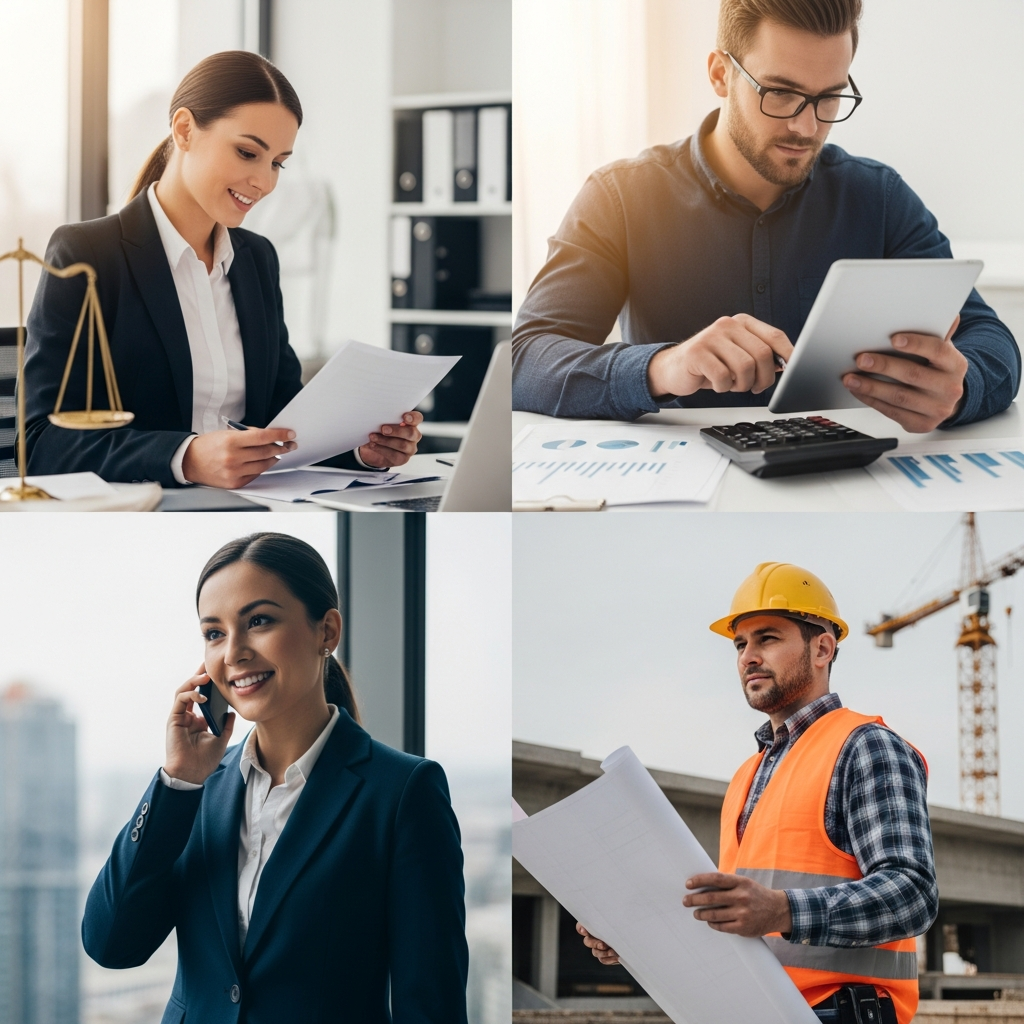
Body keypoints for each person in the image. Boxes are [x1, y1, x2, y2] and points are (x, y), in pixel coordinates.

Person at [512, 0, 1020, 432]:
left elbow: (992, 343)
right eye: (780, 93)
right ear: (720, 74)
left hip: (849, 474)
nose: (806, 127)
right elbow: (525, 360)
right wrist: (664, 367)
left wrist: (961, 387)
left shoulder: (879, 197)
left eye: (828, 98)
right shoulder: (619, 196)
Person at [82, 532, 468, 1023]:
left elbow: (431, 1005)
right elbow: (112, 945)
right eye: (214, 633)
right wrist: (178, 782)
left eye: (258, 621)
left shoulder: (402, 793)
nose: (233, 653)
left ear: (327, 631)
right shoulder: (197, 790)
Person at [24, 51, 422, 488]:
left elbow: (285, 415)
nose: (265, 182)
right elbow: (40, 442)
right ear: (184, 130)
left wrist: (362, 449)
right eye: (248, 152)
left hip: (256, 505)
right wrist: (186, 457)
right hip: (146, 510)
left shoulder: (257, 258)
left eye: (277, 163)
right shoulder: (87, 254)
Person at [576, 562, 937, 1024]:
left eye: (767, 638)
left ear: (822, 648)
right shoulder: (747, 775)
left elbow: (913, 894)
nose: (748, 657)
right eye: (740, 644)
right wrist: (635, 936)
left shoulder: (866, 746)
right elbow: (736, 921)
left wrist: (783, 911)